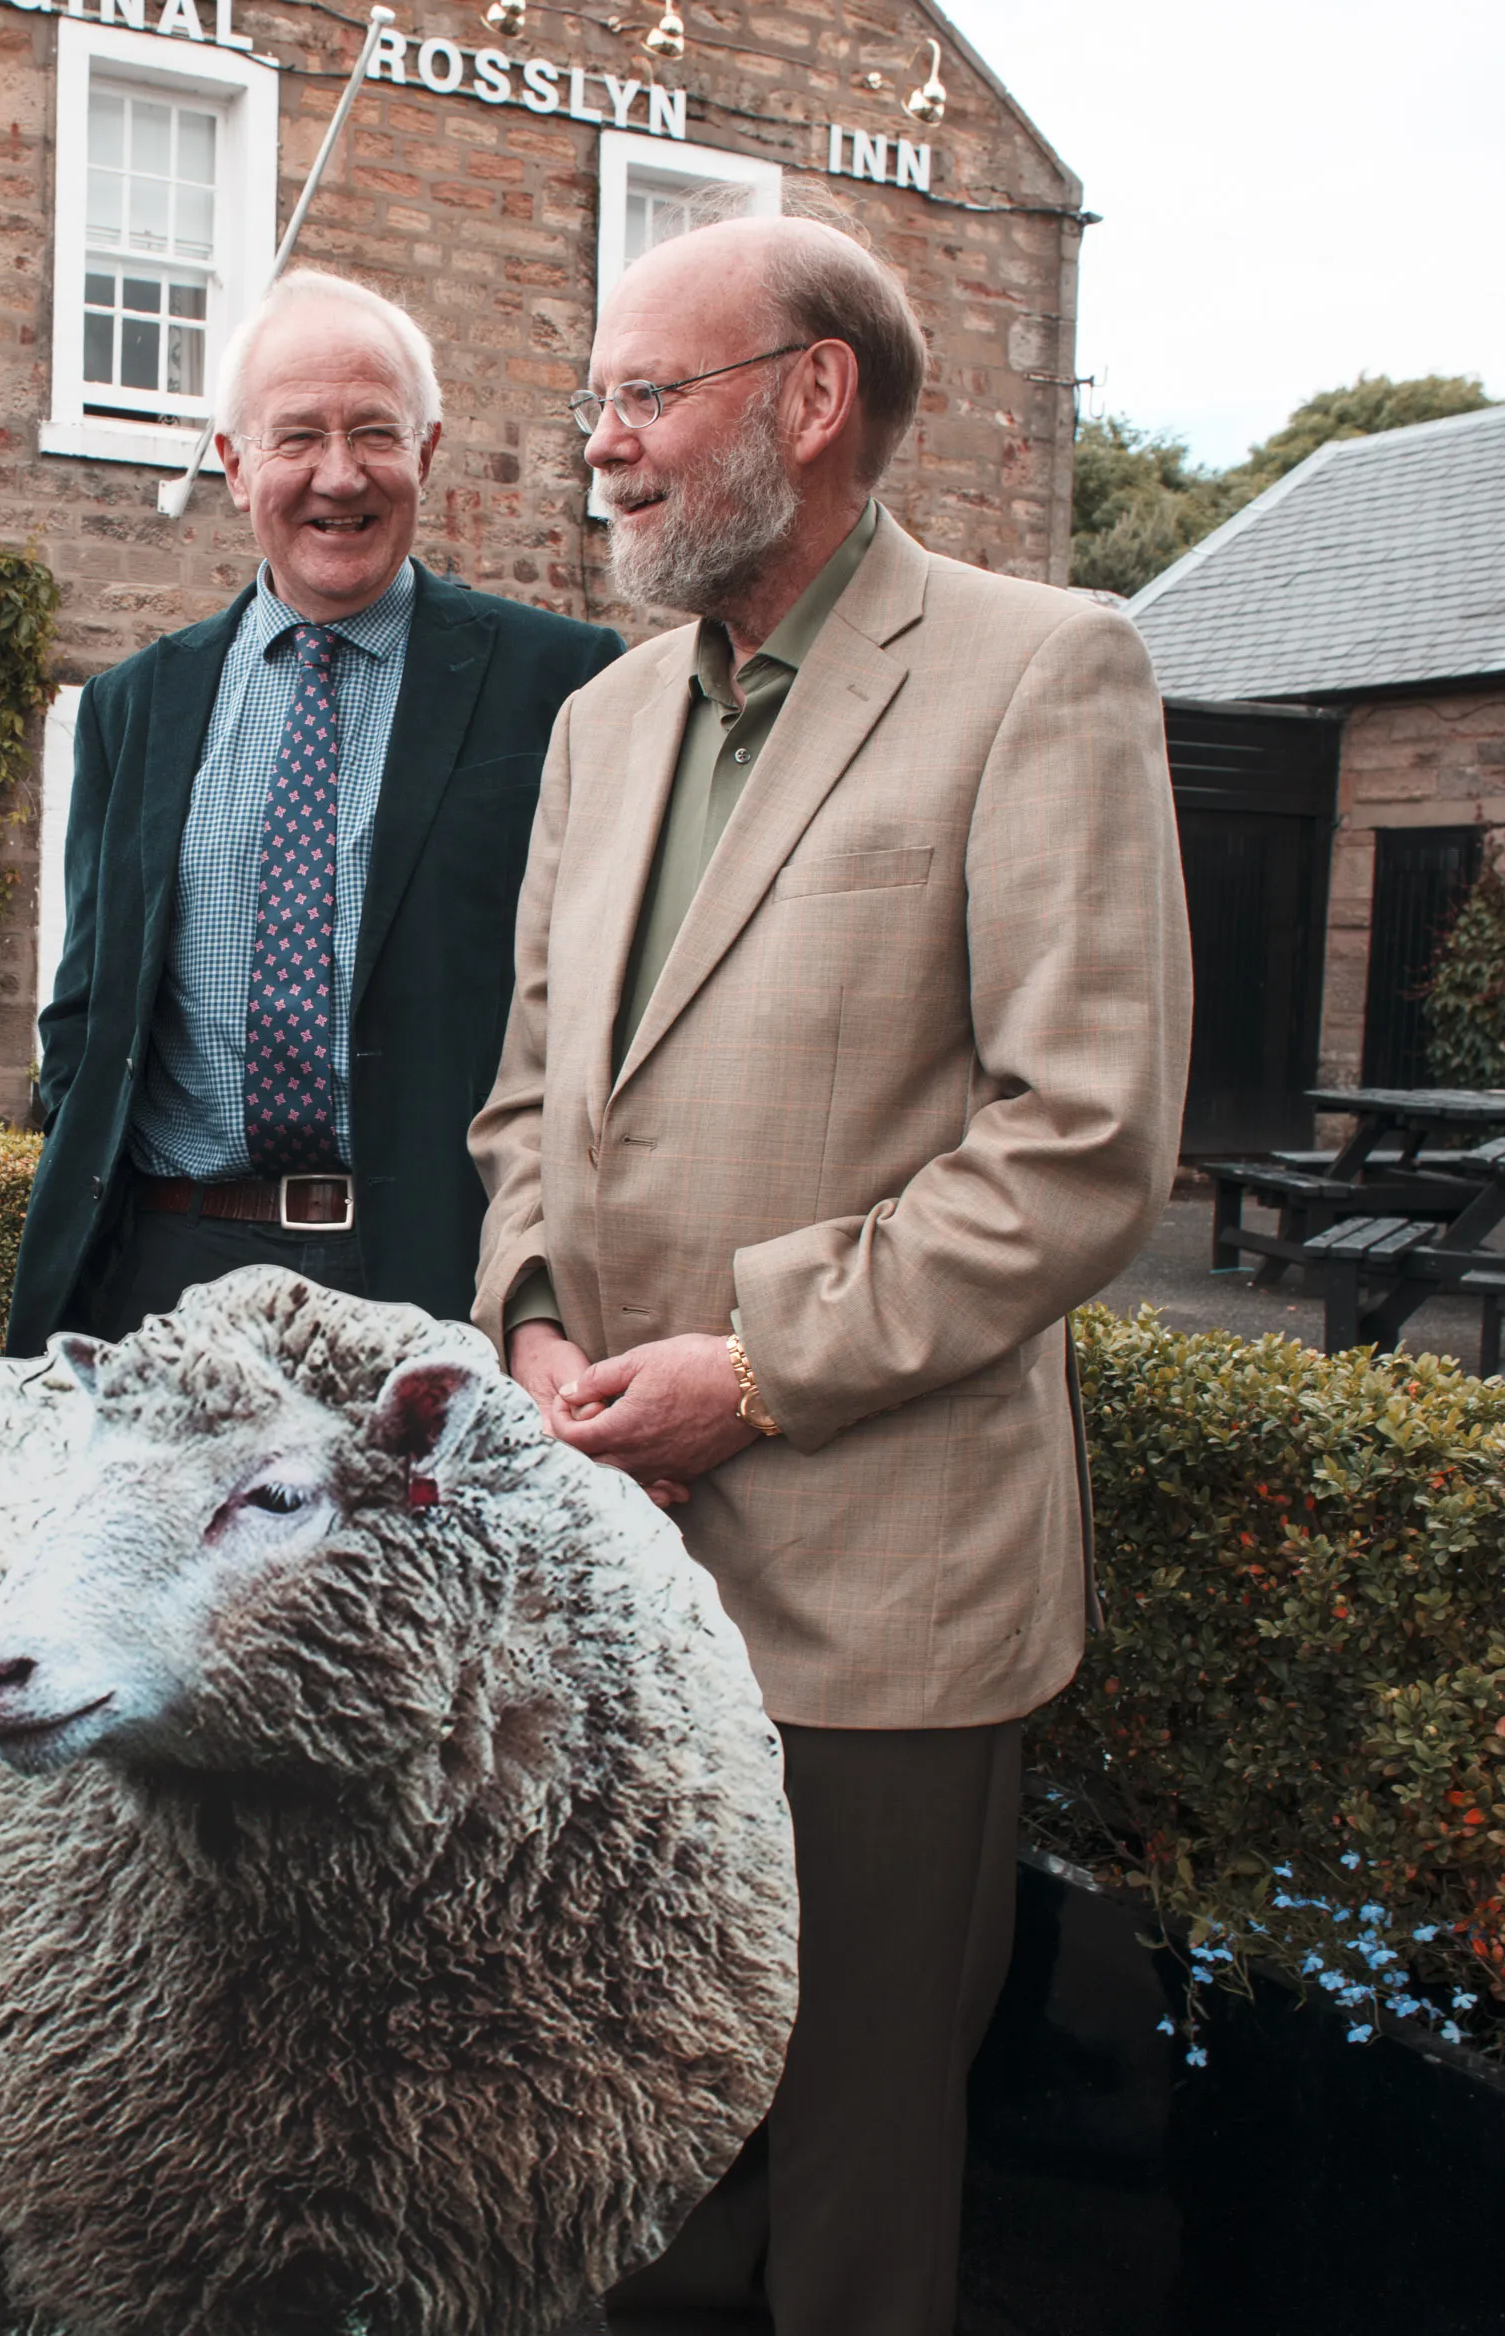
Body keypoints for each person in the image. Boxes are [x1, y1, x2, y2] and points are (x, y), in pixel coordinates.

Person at [473, 214, 1190, 2336]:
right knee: (634, 2139)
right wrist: (530, 1334)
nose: (598, 445)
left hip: (886, 1598)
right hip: (610, 1557)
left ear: (809, 400)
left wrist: (750, 1372)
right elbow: (530, 1099)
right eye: (591, 398)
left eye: (642, 396)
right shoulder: (600, 724)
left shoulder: (1042, 667)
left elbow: (1084, 1146)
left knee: (854, 2191)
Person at [4, 270, 623, 1350]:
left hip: (442, 1268)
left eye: (374, 432)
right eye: (297, 437)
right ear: (236, 466)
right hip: (173, 1270)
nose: (339, 474)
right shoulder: (130, 706)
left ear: (425, 453)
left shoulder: (562, 683)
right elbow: (87, 1012)